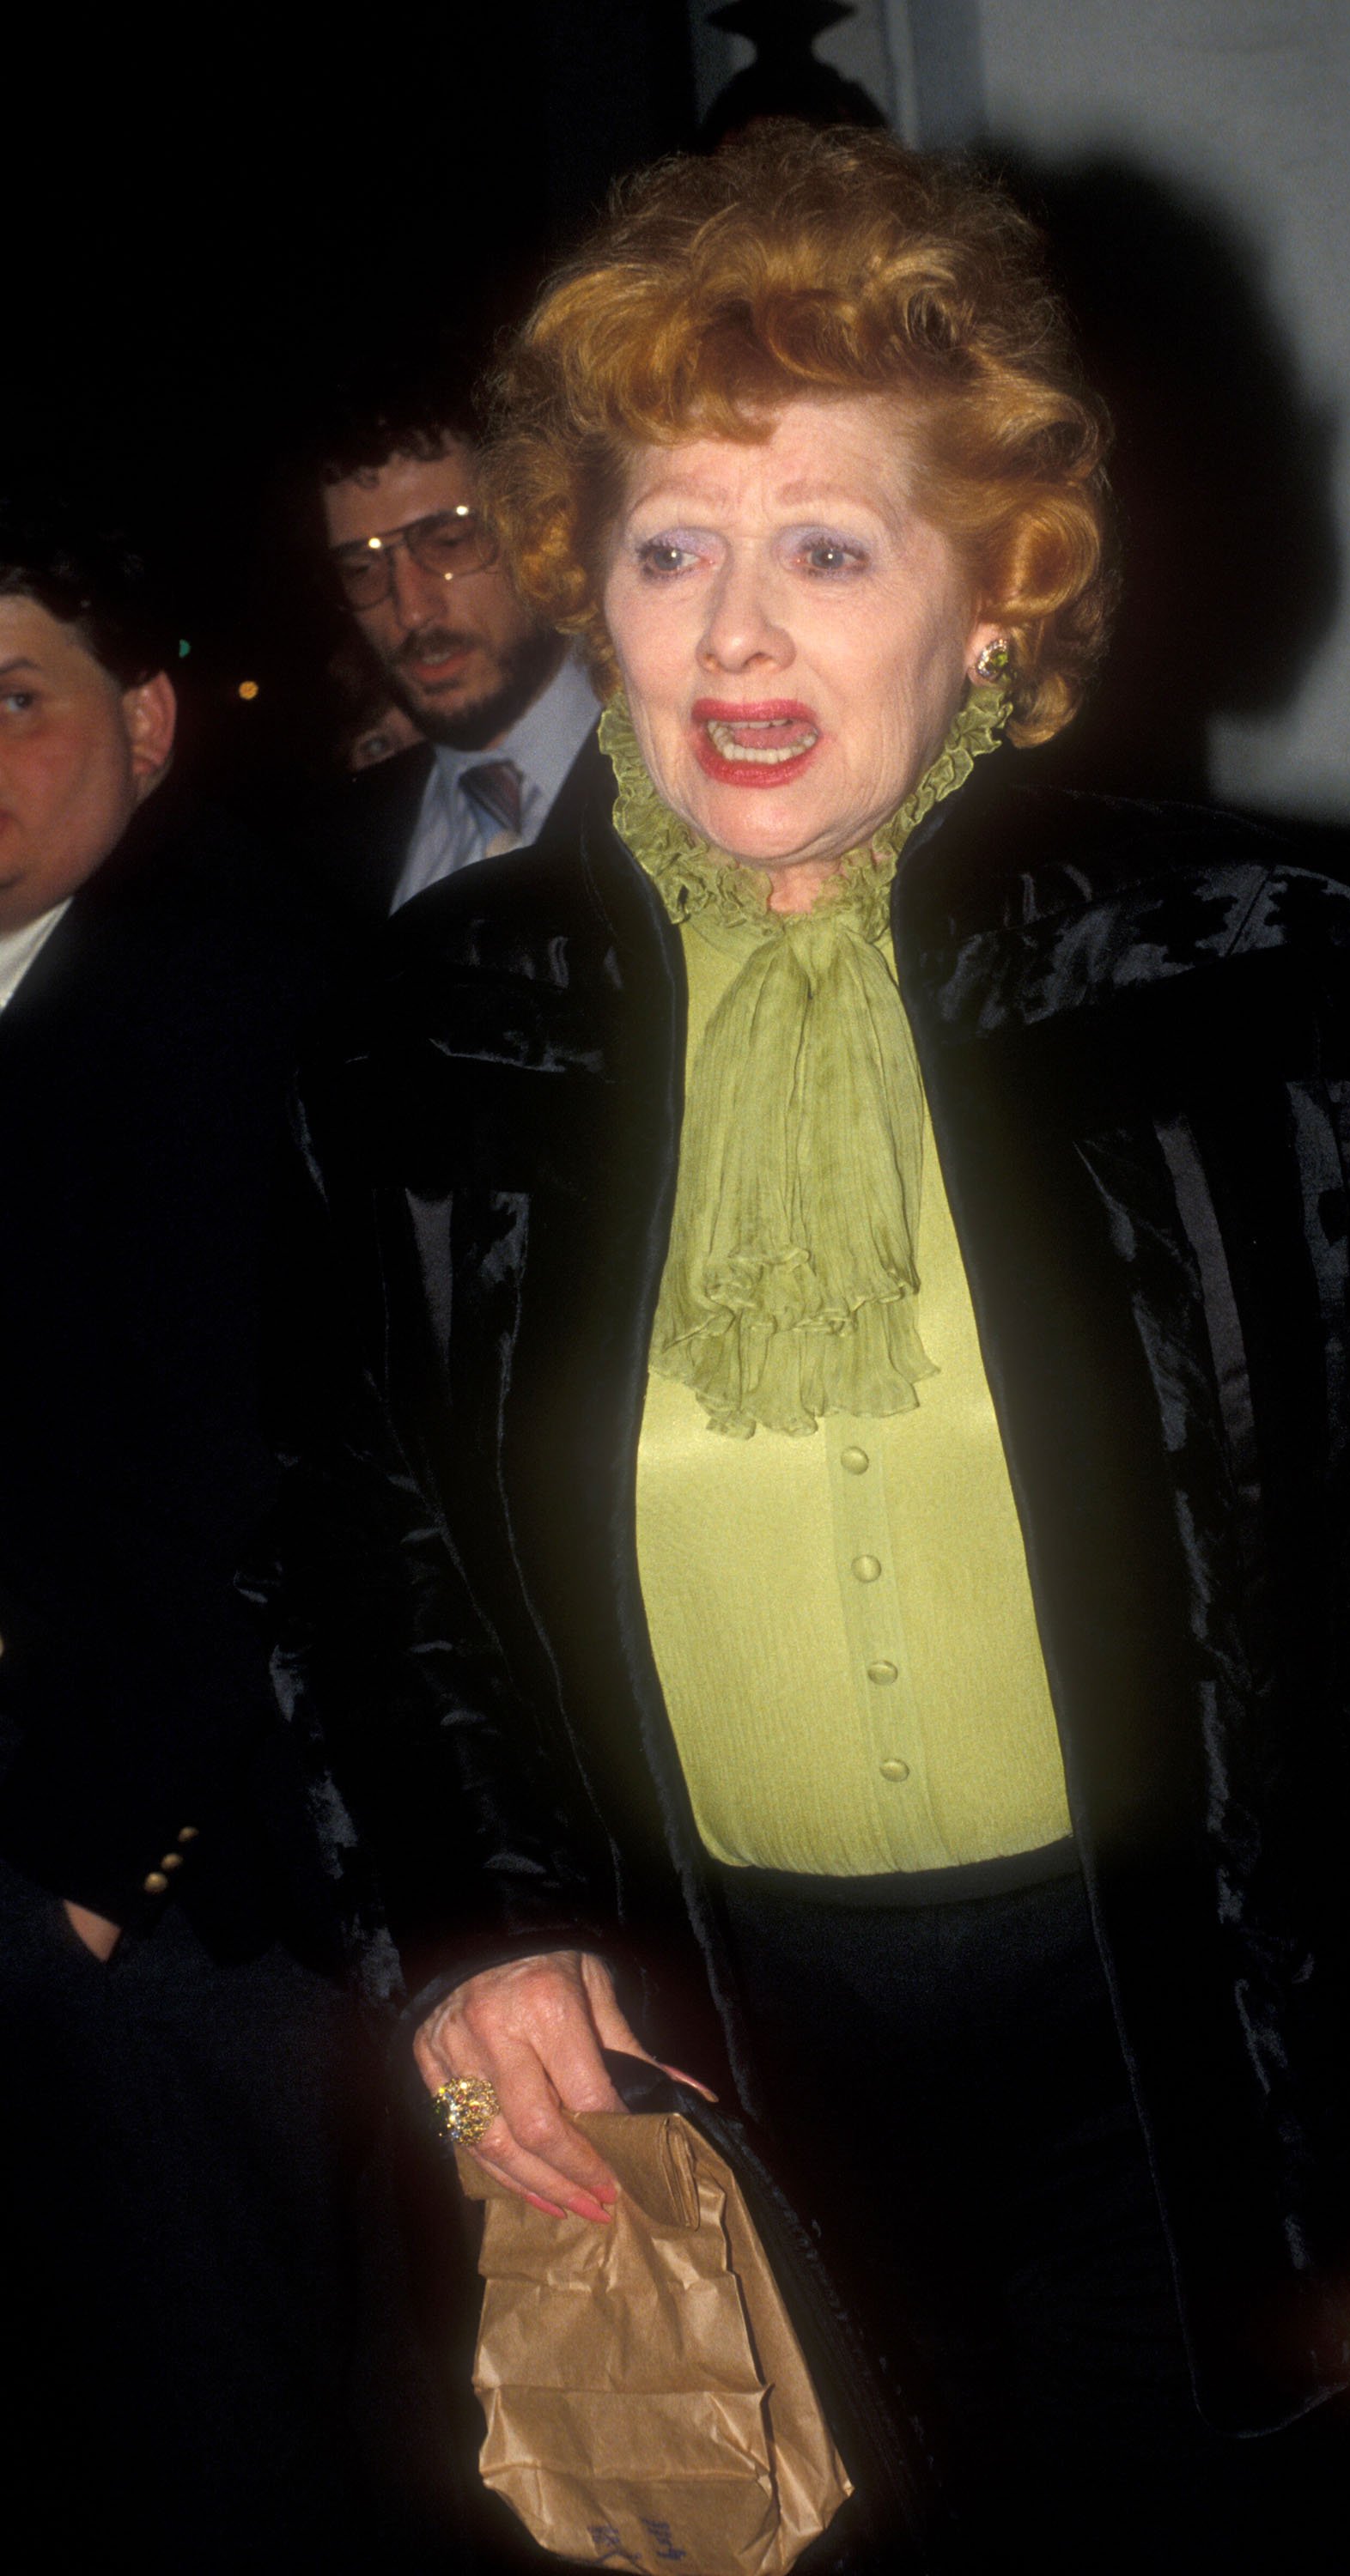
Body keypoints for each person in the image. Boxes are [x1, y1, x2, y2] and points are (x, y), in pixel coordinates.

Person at [271, 125, 1350, 2572]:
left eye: (823, 547)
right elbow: (366, 1538)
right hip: (716, 2046)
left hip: (1214, 2027)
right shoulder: (436, 1039)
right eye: (670, 549)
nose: (731, 635)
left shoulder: (1259, 972)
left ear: (993, 602)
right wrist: (477, 1925)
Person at [0, 507, 463, 2574]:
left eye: (14, 701)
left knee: (231, 2461)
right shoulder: (43, 978)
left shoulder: (222, 990)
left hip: (178, 1899)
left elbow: (244, 1486)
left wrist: (88, 1889)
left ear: (152, 719)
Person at [313, 387, 600, 915]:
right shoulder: (329, 857)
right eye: (361, 570)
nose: (412, 610)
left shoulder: (683, 778)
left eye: (449, 541)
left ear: (538, 529)